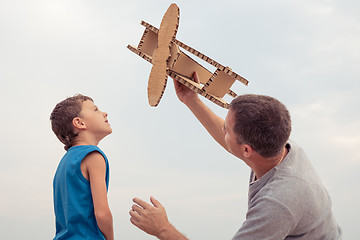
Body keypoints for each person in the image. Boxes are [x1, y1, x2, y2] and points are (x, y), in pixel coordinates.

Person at [129, 73, 342, 239]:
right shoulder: (280, 145)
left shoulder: (277, 202)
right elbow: (233, 143)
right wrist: (191, 100)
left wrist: (163, 229)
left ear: (247, 150)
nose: (223, 130)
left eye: (226, 129)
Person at [50, 94, 114, 240]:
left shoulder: (64, 162)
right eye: (95, 109)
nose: (104, 113)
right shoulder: (93, 156)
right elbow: (102, 213)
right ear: (79, 123)